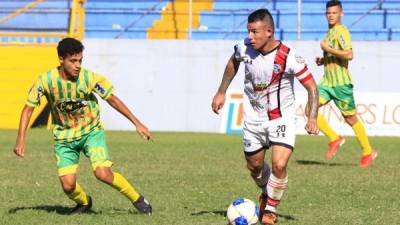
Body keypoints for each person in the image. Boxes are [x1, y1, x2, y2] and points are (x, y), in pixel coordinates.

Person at [13, 37, 153, 215]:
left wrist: (137, 123)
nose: (77, 65)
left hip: (90, 132)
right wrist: (21, 139)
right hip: (64, 138)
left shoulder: (89, 78)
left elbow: (112, 99)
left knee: (103, 173)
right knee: (68, 185)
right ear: (61, 60)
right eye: (73, 61)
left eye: (80, 60)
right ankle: (85, 202)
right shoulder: (46, 80)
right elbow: (28, 109)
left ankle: (138, 199)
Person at [211, 9, 319, 225]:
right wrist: (221, 90)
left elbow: (312, 87)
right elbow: (233, 63)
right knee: (254, 166)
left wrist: (312, 116)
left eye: (254, 32)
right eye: (248, 31)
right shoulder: (244, 47)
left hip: (281, 119)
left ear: (269, 31)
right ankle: (267, 192)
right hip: (253, 119)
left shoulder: (289, 56)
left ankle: (270, 209)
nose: (250, 37)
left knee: (279, 164)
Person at [315, 0, 377, 168]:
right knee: (310, 109)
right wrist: (323, 59)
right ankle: (335, 139)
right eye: (328, 13)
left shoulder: (342, 31)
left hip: (341, 84)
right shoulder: (328, 34)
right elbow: (336, 55)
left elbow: (349, 54)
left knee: (350, 119)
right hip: (327, 83)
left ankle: (367, 151)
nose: (331, 15)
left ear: (341, 14)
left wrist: (329, 50)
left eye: (334, 13)